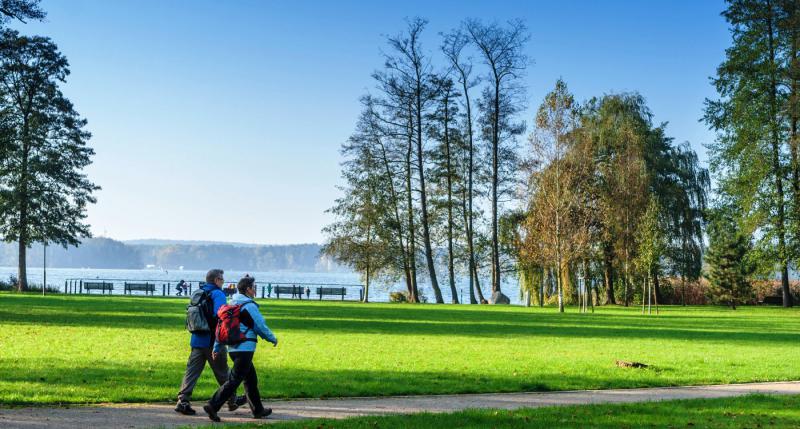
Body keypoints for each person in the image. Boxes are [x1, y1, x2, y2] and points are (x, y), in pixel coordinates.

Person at [204, 275, 277, 422]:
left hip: (233, 348)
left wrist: (217, 347)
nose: (255, 290)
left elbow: (221, 328)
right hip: (245, 348)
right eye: (254, 287)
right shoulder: (249, 306)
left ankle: (258, 410)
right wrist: (272, 338)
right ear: (248, 289)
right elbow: (260, 326)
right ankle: (213, 405)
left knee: (250, 380)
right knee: (234, 380)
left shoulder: (231, 304)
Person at [175, 269, 245, 415]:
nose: (223, 282)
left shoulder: (198, 292)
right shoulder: (218, 294)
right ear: (216, 280)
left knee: (192, 372)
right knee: (223, 372)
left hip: (196, 339)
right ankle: (232, 400)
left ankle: (183, 401)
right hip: (212, 340)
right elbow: (221, 316)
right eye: (222, 279)